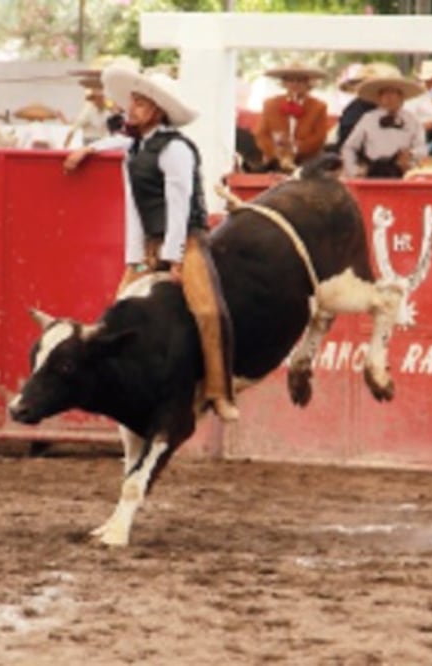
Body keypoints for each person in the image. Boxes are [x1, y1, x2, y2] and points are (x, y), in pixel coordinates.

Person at [76, 65, 239, 422]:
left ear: (156, 111)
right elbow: (135, 209)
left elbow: (180, 208)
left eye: (139, 104)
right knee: (116, 310)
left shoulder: (176, 149)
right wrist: (135, 259)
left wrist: (173, 258)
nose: (129, 109)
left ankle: (218, 390)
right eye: (131, 102)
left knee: (209, 311)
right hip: (151, 242)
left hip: (188, 241)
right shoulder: (135, 150)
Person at [340, 67, 427, 178]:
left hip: (403, 172)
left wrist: (411, 154)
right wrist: (354, 171)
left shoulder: (412, 120)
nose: (389, 97)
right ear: (379, 97)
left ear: (401, 97)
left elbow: (422, 148)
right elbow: (349, 147)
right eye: (384, 93)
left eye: (393, 93)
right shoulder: (368, 119)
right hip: (373, 173)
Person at [253, 62, 329, 172]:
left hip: (307, 162)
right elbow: (261, 134)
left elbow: (319, 136)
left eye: (300, 80)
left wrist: (295, 149)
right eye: (290, 80)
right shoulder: (270, 104)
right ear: (284, 83)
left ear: (308, 83)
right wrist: (277, 153)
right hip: (274, 162)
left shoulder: (319, 107)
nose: (295, 84)